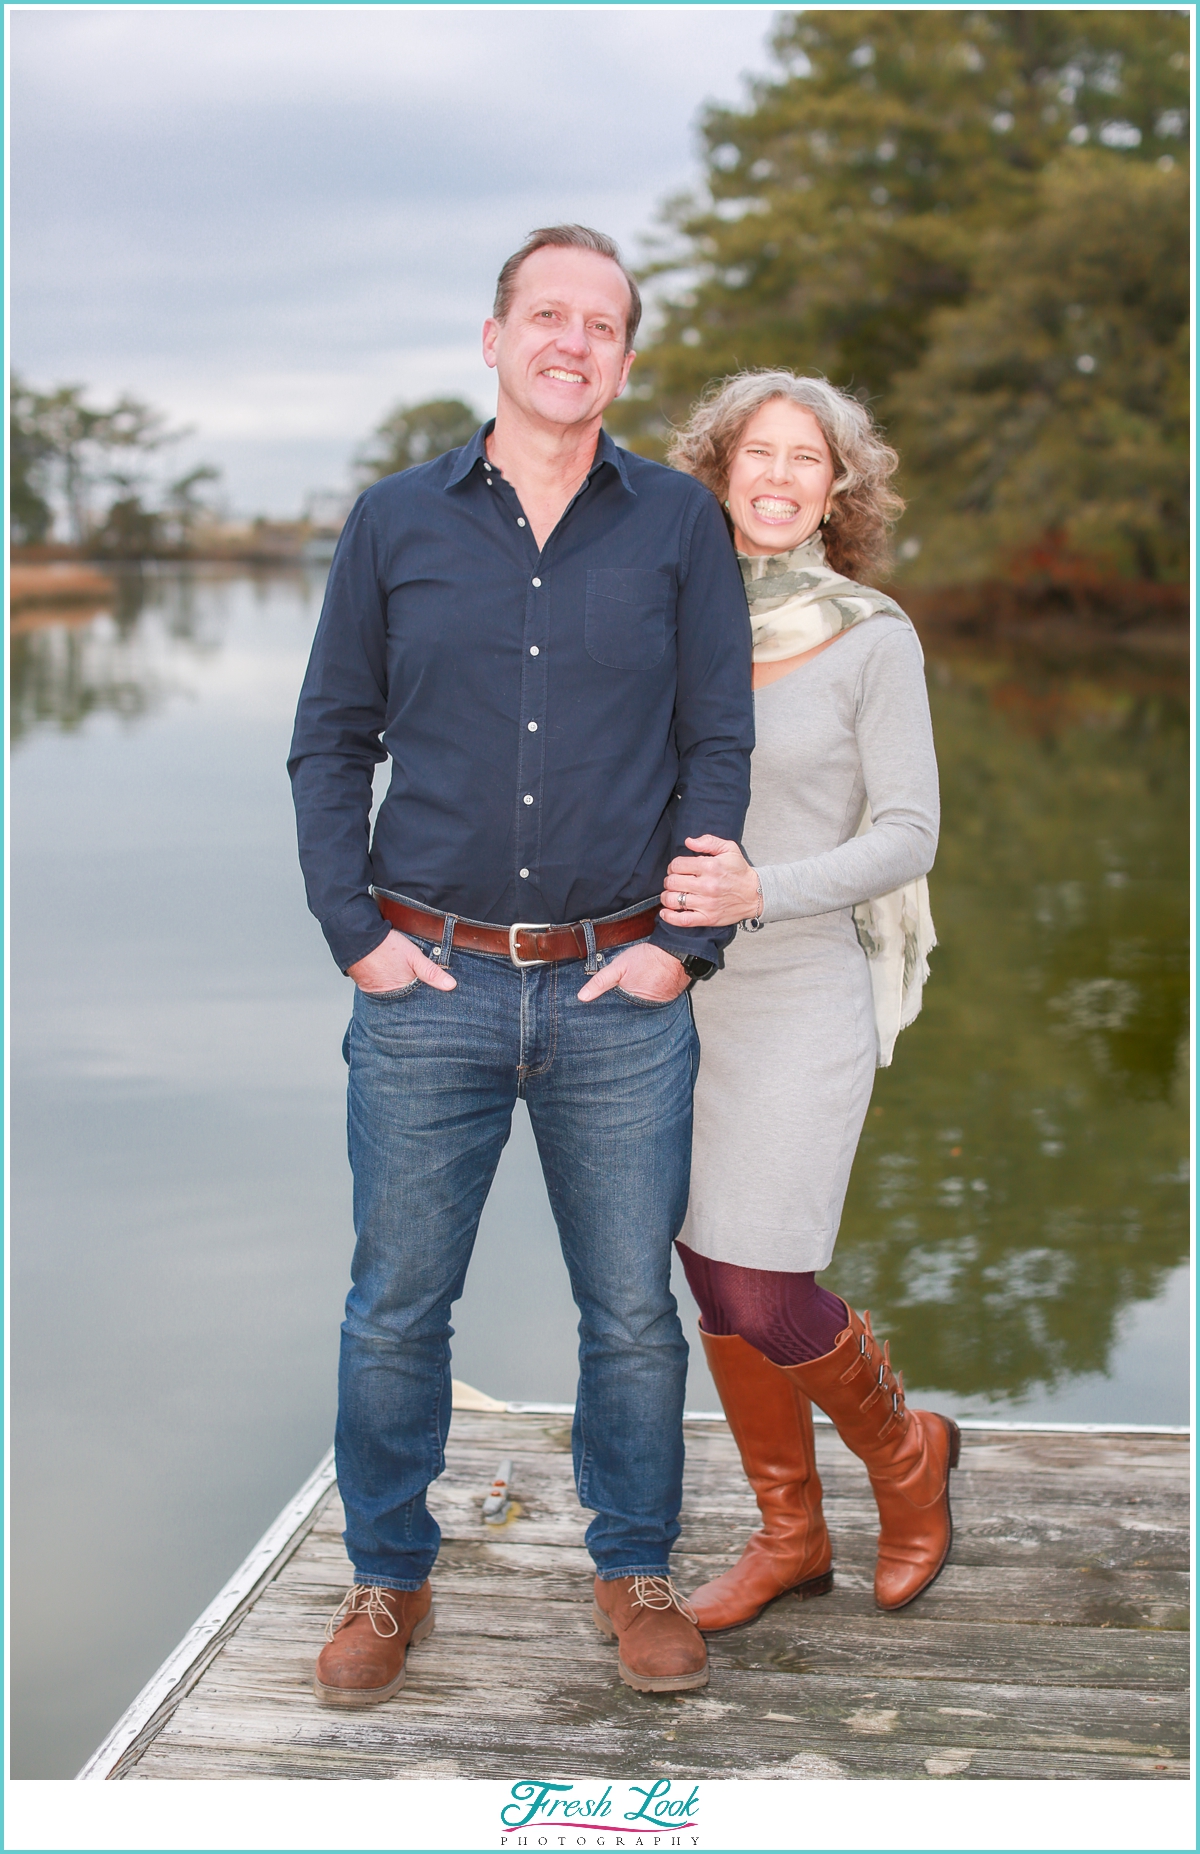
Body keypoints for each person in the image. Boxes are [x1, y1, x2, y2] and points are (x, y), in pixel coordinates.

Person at [288, 226, 754, 1705]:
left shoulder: (680, 524)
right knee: (395, 1306)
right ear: (491, 338)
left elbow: (717, 747)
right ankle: (386, 1577)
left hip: (622, 991)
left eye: (601, 323)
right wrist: (354, 934)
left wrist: (687, 946)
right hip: (427, 980)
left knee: (628, 1310)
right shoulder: (392, 522)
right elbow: (327, 739)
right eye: (545, 315)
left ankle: (634, 1571)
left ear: (625, 356)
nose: (573, 340)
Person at [659, 370, 958, 1634]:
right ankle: (792, 1533)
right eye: (756, 454)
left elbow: (910, 834)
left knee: (764, 1284)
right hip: (666, 994)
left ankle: (909, 1457)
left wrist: (758, 890)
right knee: (706, 1273)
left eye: (807, 458)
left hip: (798, 983)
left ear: (841, 487)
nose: (778, 477)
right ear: (721, 470)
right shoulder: (669, 615)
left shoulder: (870, 634)